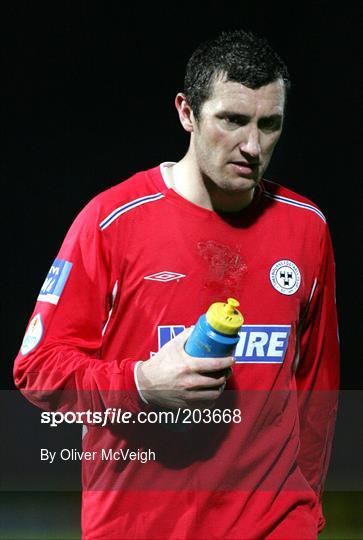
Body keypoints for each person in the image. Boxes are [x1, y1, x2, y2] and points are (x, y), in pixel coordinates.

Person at [14, 29, 339, 539]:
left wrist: (308, 510)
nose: (253, 146)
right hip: (140, 525)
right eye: (232, 120)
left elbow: (318, 386)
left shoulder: (307, 228)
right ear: (187, 112)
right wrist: (141, 385)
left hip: (275, 523)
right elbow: (37, 370)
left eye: (269, 124)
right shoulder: (111, 222)